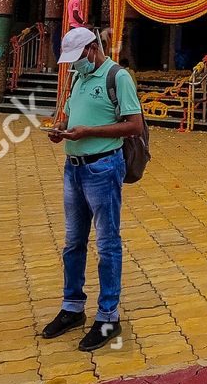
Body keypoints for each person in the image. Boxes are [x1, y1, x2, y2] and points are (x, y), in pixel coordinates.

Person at [40, 26, 144, 353]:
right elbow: (68, 115)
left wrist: (88, 131)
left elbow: (134, 124)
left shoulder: (118, 77)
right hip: (74, 169)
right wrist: (61, 129)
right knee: (73, 242)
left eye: (77, 58)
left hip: (103, 166)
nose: (73, 65)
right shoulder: (77, 78)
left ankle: (108, 317)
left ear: (91, 49)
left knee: (108, 242)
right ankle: (72, 307)